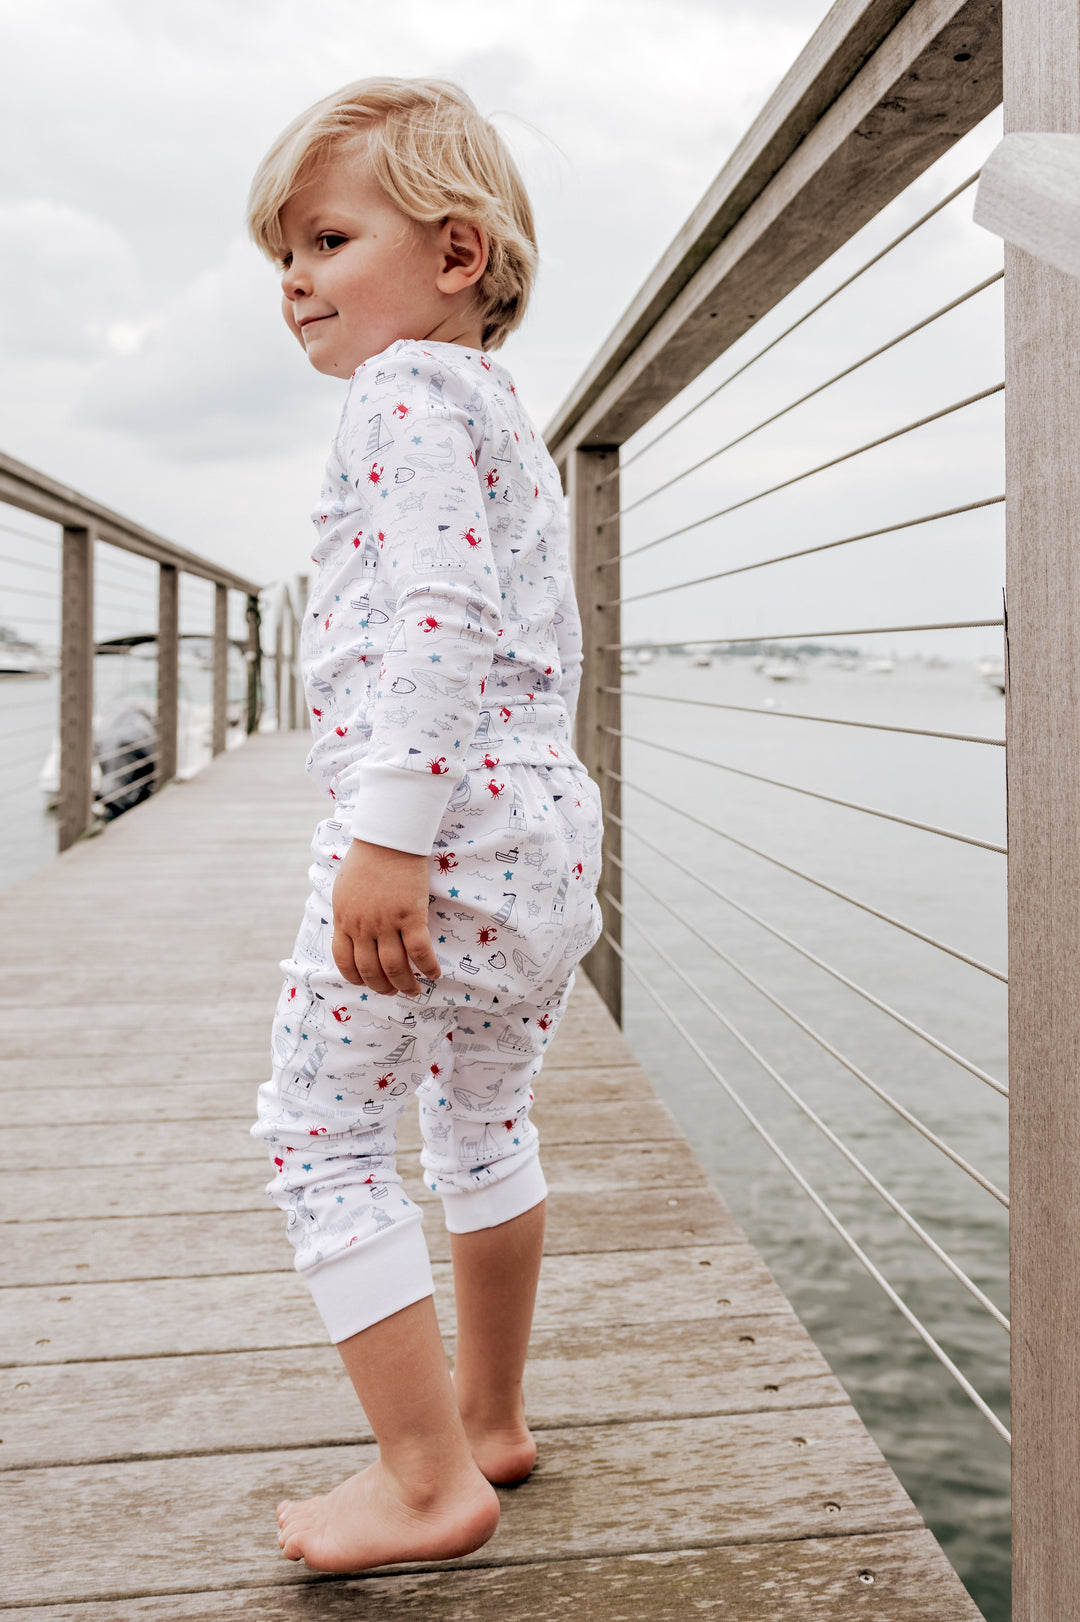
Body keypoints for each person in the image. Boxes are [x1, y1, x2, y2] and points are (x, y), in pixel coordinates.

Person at [247, 77, 603, 1574]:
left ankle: (421, 1477)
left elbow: (440, 621)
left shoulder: (396, 398)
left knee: (321, 1139)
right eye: (282, 255)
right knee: (480, 1120)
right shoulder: (492, 413)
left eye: (326, 239)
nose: (294, 283)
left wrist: (385, 837)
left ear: (456, 256)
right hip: (537, 840)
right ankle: (489, 1416)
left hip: (435, 831)